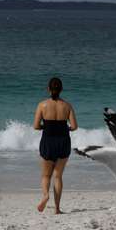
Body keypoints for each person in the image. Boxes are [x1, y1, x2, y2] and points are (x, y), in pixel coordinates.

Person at [33, 77, 77, 214]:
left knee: (46, 175)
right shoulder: (67, 106)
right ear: (61, 89)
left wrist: (45, 127)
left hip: (48, 140)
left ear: (48, 89)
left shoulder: (42, 105)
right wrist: (65, 129)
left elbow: (35, 126)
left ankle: (45, 196)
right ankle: (57, 209)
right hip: (63, 141)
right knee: (58, 176)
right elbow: (74, 126)